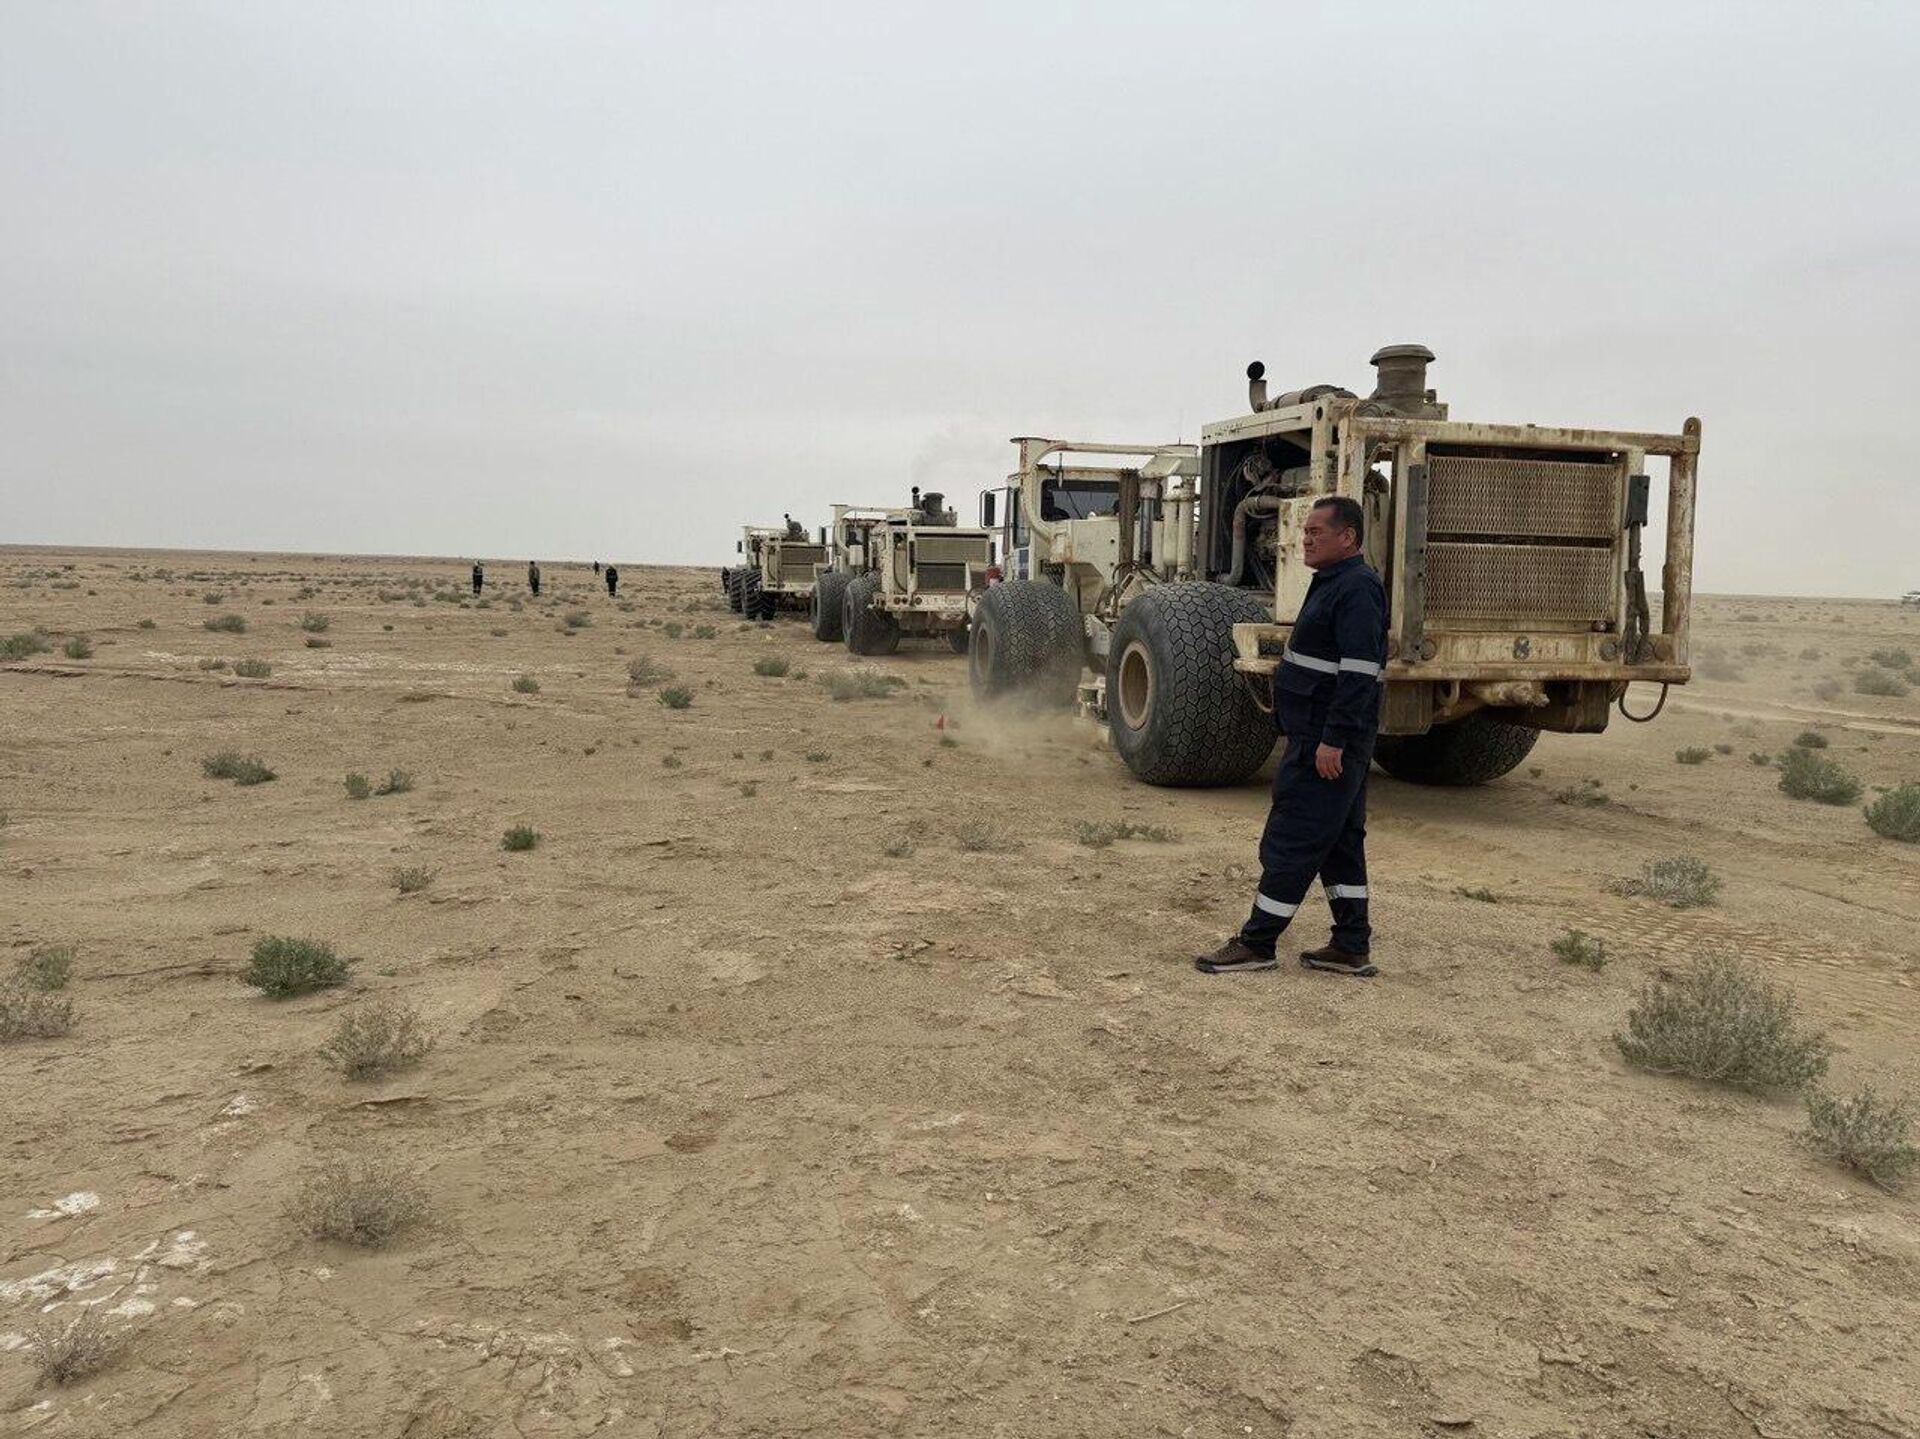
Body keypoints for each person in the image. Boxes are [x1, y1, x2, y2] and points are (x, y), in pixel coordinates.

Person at [1196, 495, 1387, 979]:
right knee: (1340, 843)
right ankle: (1351, 946)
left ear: (1348, 537)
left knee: (1293, 838)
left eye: (1316, 532)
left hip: (1325, 743)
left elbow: (1360, 673)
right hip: (1319, 736)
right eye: (1305, 532)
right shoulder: (1334, 581)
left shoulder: (1357, 589)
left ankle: (1257, 943)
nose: (1305, 540)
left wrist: (1334, 740)